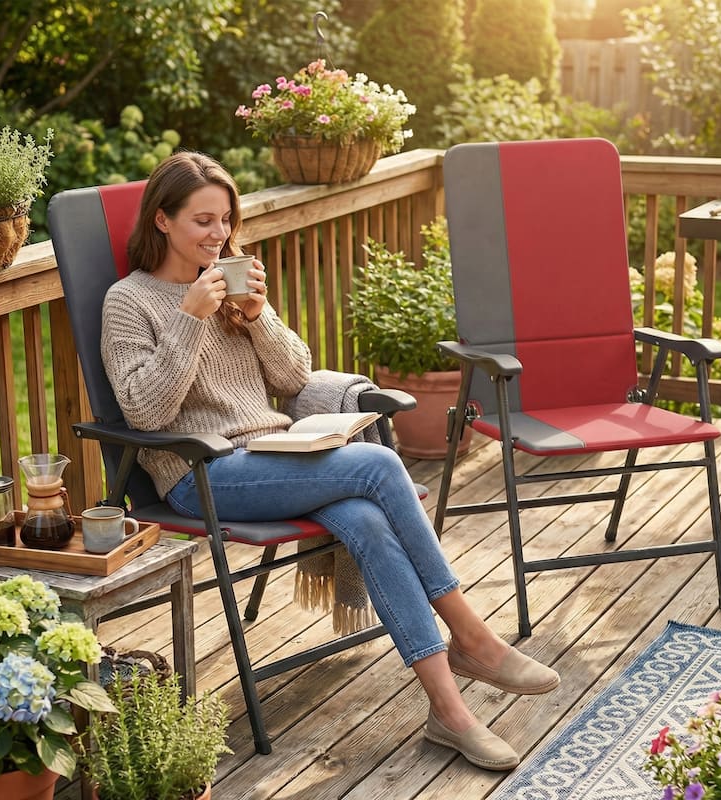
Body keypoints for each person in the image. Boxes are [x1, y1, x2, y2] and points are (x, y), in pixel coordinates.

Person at [101, 151, 560, 772]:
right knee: (376, 466)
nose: (218, 234)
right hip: (198, 475)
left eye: (226, 221)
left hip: (269, 455)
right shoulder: (127, 301)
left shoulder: (231, 283)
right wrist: (189, 319)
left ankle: (450, 713)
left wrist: (258, 318)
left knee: (367, 520)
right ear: (162, 220)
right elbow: (147, 414)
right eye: (202, 221)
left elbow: (294, 377)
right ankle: (472, 637)